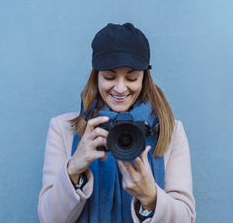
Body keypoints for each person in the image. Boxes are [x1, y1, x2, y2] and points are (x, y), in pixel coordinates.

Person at [38, 23, 196, 223]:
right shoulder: (63, 129)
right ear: (96, 77)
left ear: (144, 79)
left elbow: (186, 218)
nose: (120, 88)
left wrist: (150, 197)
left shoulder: (170, 131)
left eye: (131, 78)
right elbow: (49, 219)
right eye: (109, 77)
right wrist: (74, 169)